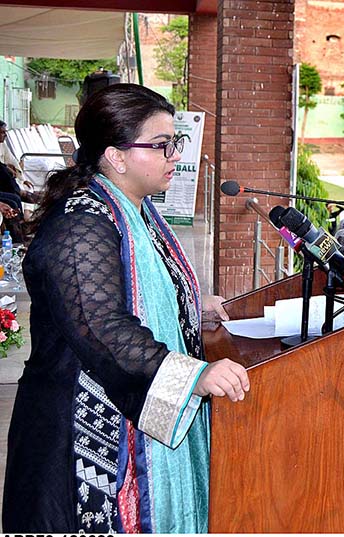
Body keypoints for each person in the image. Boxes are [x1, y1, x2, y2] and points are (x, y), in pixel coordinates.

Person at [3, 84, 250, 532]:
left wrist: (188, 306)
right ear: (116, 156)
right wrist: (194, 376)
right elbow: (101, 327)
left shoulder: (133, 208)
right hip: (79, 437)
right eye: (162, 145)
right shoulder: (81, 223)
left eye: (175, 142)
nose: (176, 155)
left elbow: (133, 290)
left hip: (123, 410)